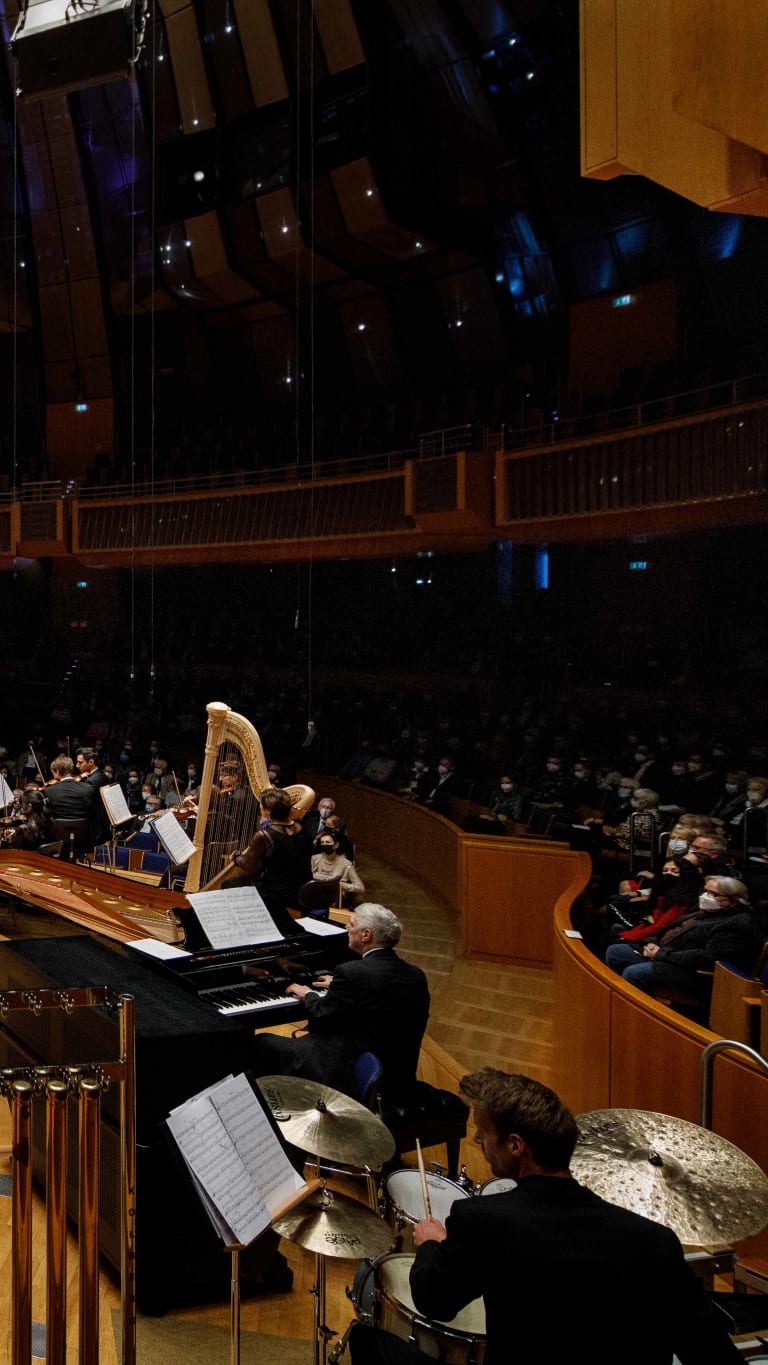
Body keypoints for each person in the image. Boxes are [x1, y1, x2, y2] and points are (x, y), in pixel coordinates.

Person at [348, 1069, 741, 1365]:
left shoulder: (482, 1220)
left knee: (368, 1342)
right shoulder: (655, 1242)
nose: (476, 1143)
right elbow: (710, 1351)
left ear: (516, 1145)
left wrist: (432, 1243)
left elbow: (434, 1300)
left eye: (483, 1133)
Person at [252, 903, 429, 1099]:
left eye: (351, 925)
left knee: (263, 1042)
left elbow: (321, 1012)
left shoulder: (352, 972)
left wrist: (307, 994)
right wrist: (339, 985)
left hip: (349, 1069)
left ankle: (279, 1104)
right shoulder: (416, 974)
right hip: (396, 1070)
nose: (346, 928)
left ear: (366, 935)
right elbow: (375, 995)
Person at [605, 876, 758, 1005]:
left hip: (695, 972)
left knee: (634, 972)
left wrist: (661, 954)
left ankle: (638, 1014)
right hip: (669, 957)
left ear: (733, 900)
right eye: (705, 891)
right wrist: (654, 945)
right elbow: (673, 931)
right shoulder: (703, 911)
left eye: (713, 894)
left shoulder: (735, 924)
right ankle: (617, 1000)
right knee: (617, 951)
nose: (705, 896)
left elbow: (708, 958)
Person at [310, 833, 365, 901]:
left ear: (336, 845)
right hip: (315, 896)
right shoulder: (314, 859)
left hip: (336, 899)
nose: (325, 845)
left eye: (328, 842)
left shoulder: (346, 864)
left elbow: (361, 888)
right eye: (322, 842)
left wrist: (339, 885)